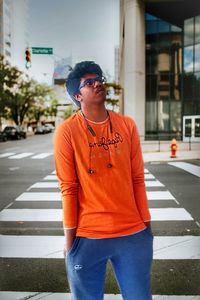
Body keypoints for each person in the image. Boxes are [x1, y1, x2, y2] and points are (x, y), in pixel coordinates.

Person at [54, 61, 153, 300]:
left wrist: (147, 229)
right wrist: (71, 246)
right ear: (78, 95)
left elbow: (137, 178)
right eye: (89, 82)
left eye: (99, 79)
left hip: (133, 233)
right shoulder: (66, 132)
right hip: (88, 236)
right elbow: (68, 188)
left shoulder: (127, 125)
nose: (98, 83)